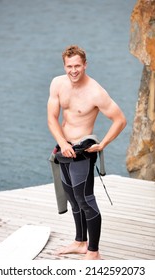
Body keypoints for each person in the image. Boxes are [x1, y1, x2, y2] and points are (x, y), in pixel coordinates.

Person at [47, 45, 127, 260]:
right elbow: (52, 118)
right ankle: (80, 242)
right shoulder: (57, 83)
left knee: (86, 200)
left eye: (77, 66)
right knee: (73, 199)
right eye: (69, 66)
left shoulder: (96, 92)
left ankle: (94, 252)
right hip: (63, 149)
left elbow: (120, 120)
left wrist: (103, 145)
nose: (73, 71)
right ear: (64, 65)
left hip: (82, 151)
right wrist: (62, 143)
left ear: (85, 65)